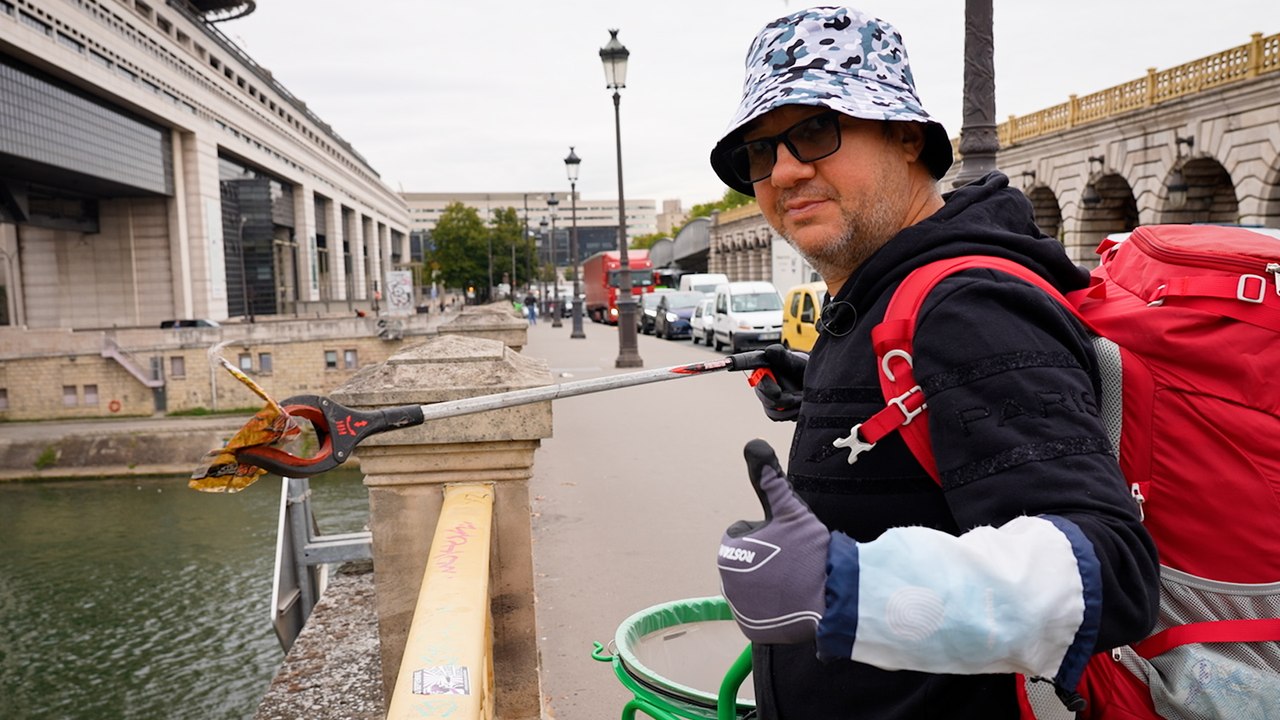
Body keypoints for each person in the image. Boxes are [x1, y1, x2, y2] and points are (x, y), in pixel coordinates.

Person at [710, 7, 1159, 719]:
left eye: (815, 132)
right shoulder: (891, 292)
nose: (785, 171)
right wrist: (831, 396)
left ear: (907, 138)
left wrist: (842, 588)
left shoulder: (963, 308)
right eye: (759, 153)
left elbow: (1114, 569)